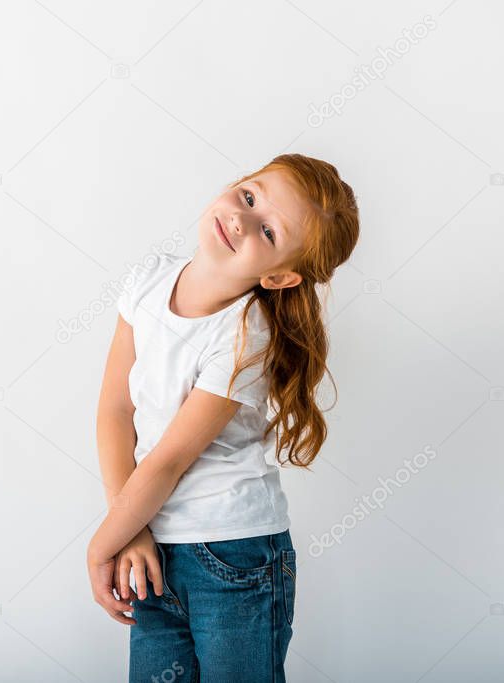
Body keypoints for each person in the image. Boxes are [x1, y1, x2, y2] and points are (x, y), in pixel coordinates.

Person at [86, 153, 360, 681]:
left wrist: (104, 544)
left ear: (279, 277)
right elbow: (116, 410)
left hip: (232, 560)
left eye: (268, 230)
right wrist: (132, 530)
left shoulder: (244, 337)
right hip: (151, 545)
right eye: (250, 196)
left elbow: (168, 460)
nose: (241, 219)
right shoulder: (148, 281)